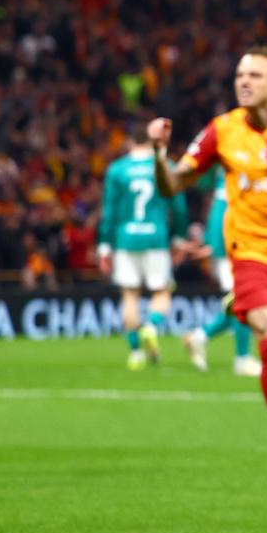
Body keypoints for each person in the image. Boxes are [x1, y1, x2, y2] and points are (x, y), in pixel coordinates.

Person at [150, 48, 267, 476]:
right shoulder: (221, 130)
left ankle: (238, 307)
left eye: (255, 74)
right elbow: (172, 186)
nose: (243, 81)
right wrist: (158, 153)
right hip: (249, 253)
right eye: (240, 73)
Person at [96, 122, 188, 370]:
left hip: (125, 238)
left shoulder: (117, 170)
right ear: (152, 141)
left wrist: (104, 245)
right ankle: (151, 325)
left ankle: (135, 352)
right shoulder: (165, 166)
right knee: (162, 291)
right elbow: (178, 207)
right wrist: (179, 238)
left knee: (129, 296)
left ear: (129, 141)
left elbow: (109, 211)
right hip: (155, 238)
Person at [184, 166, 262, 378]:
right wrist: (214, 245)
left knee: (240, 303)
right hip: (231, 246)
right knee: (243, 300)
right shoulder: (236, 166)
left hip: (239, 243)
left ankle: (200, 337)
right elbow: (222, 207)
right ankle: (242, 358)